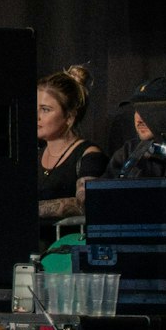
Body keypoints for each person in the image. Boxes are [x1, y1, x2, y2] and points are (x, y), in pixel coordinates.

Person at [36, 65, 106, 245]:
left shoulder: (88, 155)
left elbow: (87, 202)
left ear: (69, 116)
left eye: (45, 110)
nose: (37, 116)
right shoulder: (33, 156)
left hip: (67, 257)